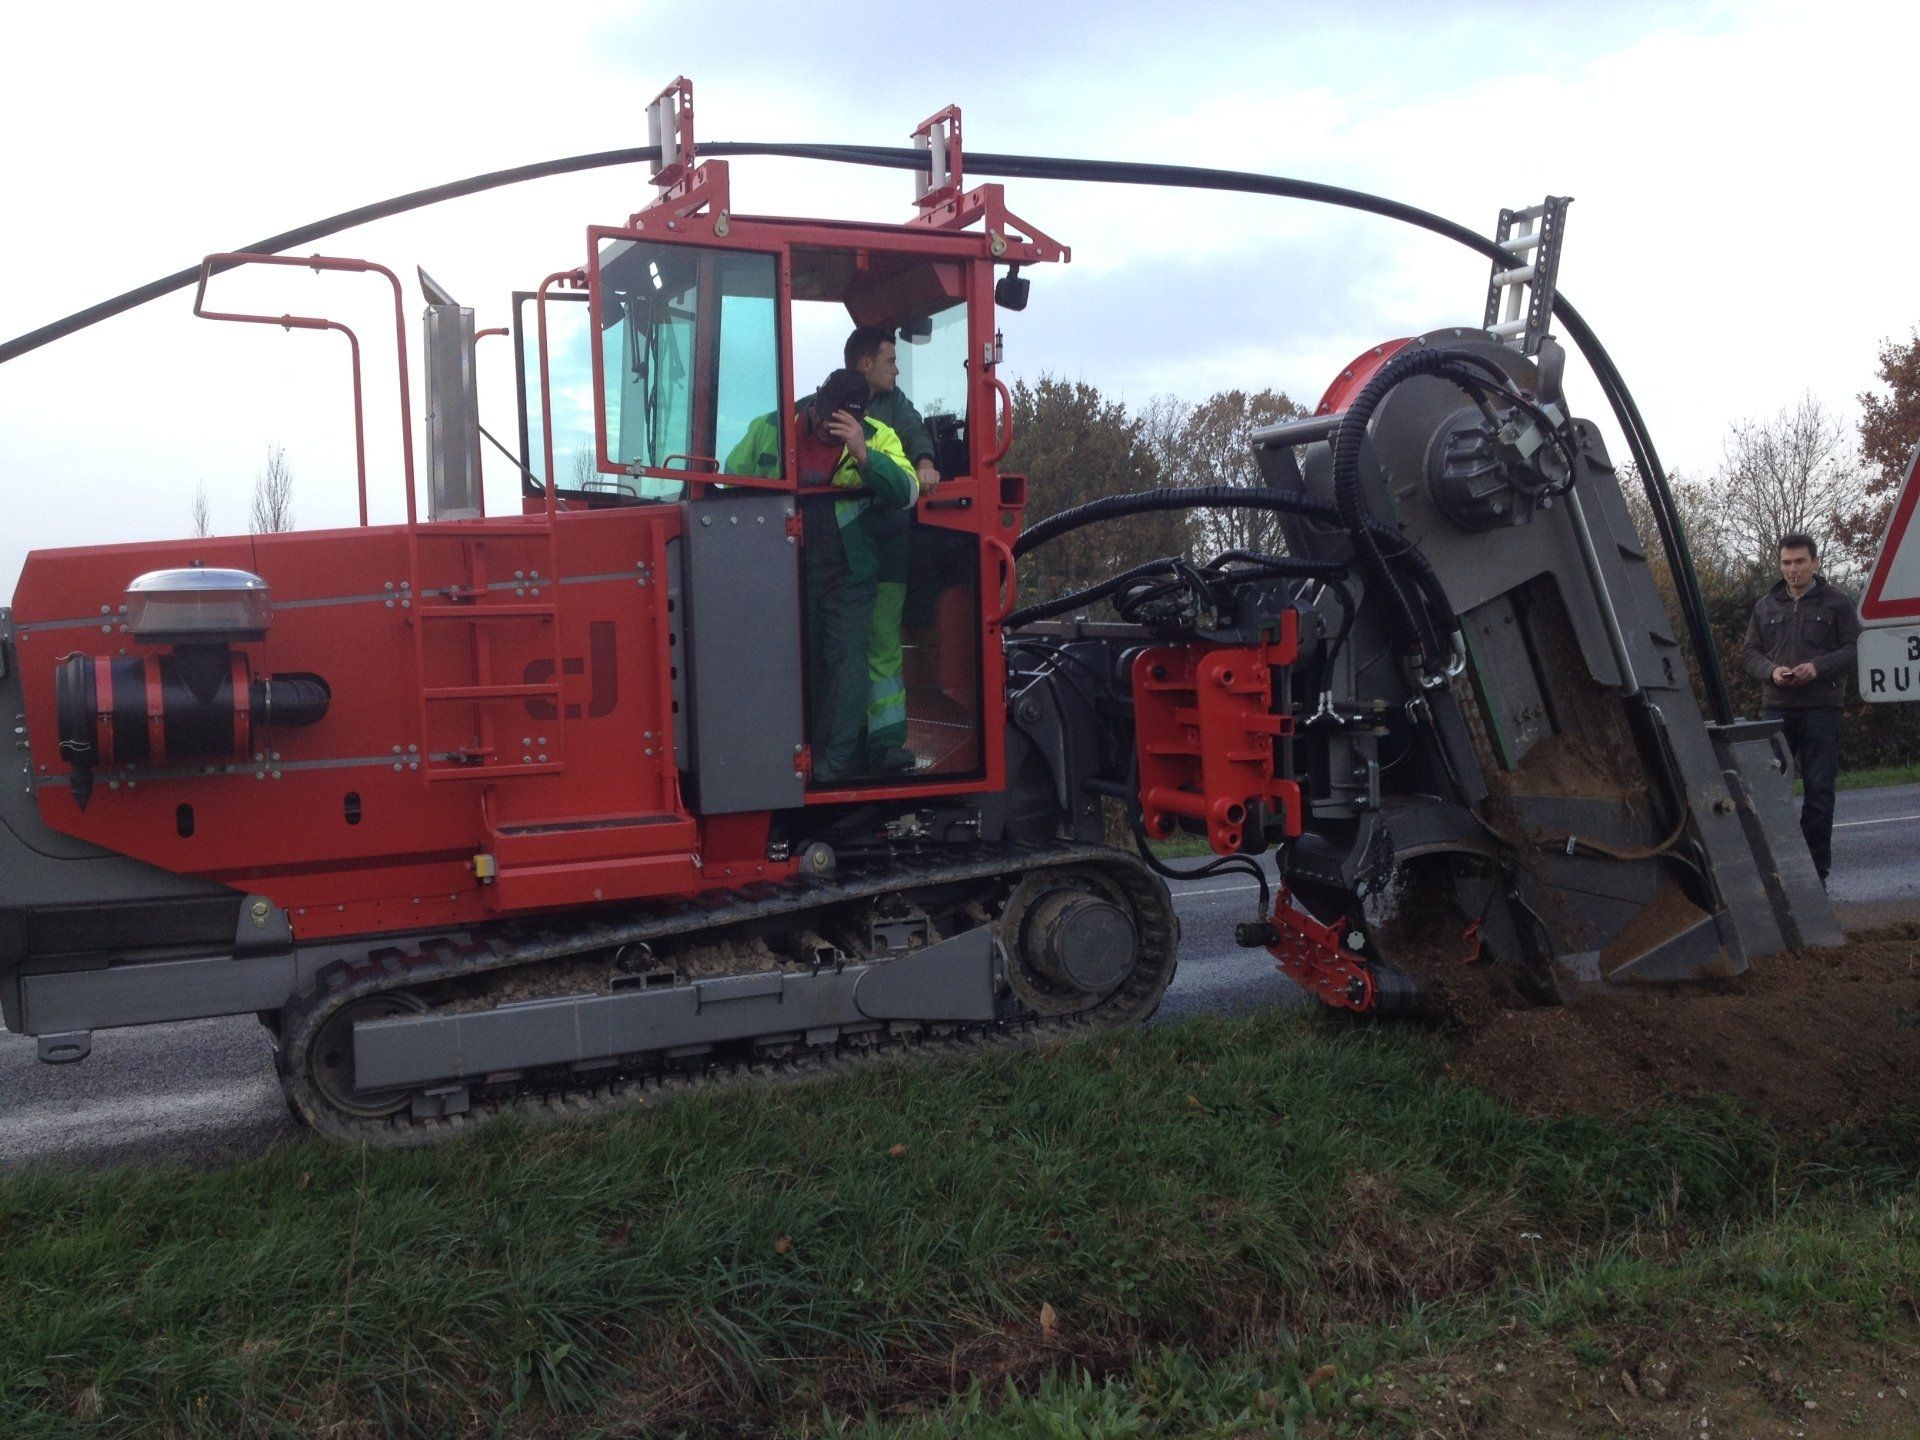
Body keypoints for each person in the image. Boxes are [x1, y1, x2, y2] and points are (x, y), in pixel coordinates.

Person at [724, 368, 919, 783]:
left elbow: (908, 492)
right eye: (825, 420)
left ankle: (832, 768)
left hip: (849, 569)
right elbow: (726, 483)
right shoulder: (770, 429)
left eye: (840, 426)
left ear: (859, 418)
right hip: (778, 569)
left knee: (846, 666)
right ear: (817, 400)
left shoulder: (876, 436)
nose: (828, 432)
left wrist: (864, 455)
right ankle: (775, 759)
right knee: (785, 659)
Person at [1739, 531, 1862, 884]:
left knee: (1819, 791)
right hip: (1777, 710)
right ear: (1780, 565)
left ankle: (1815, 874)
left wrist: (1817, 667)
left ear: (1815, 563)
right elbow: (1749, 653)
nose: (1792, 569)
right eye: (1786, 562)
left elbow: (1854, 647)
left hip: (1822, 709)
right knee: (1769, 791)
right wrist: (1771, 671)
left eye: (1799, 562)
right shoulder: (1765, 606)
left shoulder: (1837, 603)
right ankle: (1777, 872)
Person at [846, 326, 940, 773]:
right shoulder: (836, 401)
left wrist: (925, 463)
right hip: (846, 552)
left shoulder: (894, 405)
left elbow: (916, 431)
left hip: (886, 548)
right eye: (891, 361)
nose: (896, 370)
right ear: (866, 365)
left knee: (882, 642)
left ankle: (884, 746)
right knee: (846, 646)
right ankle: (850, 741)